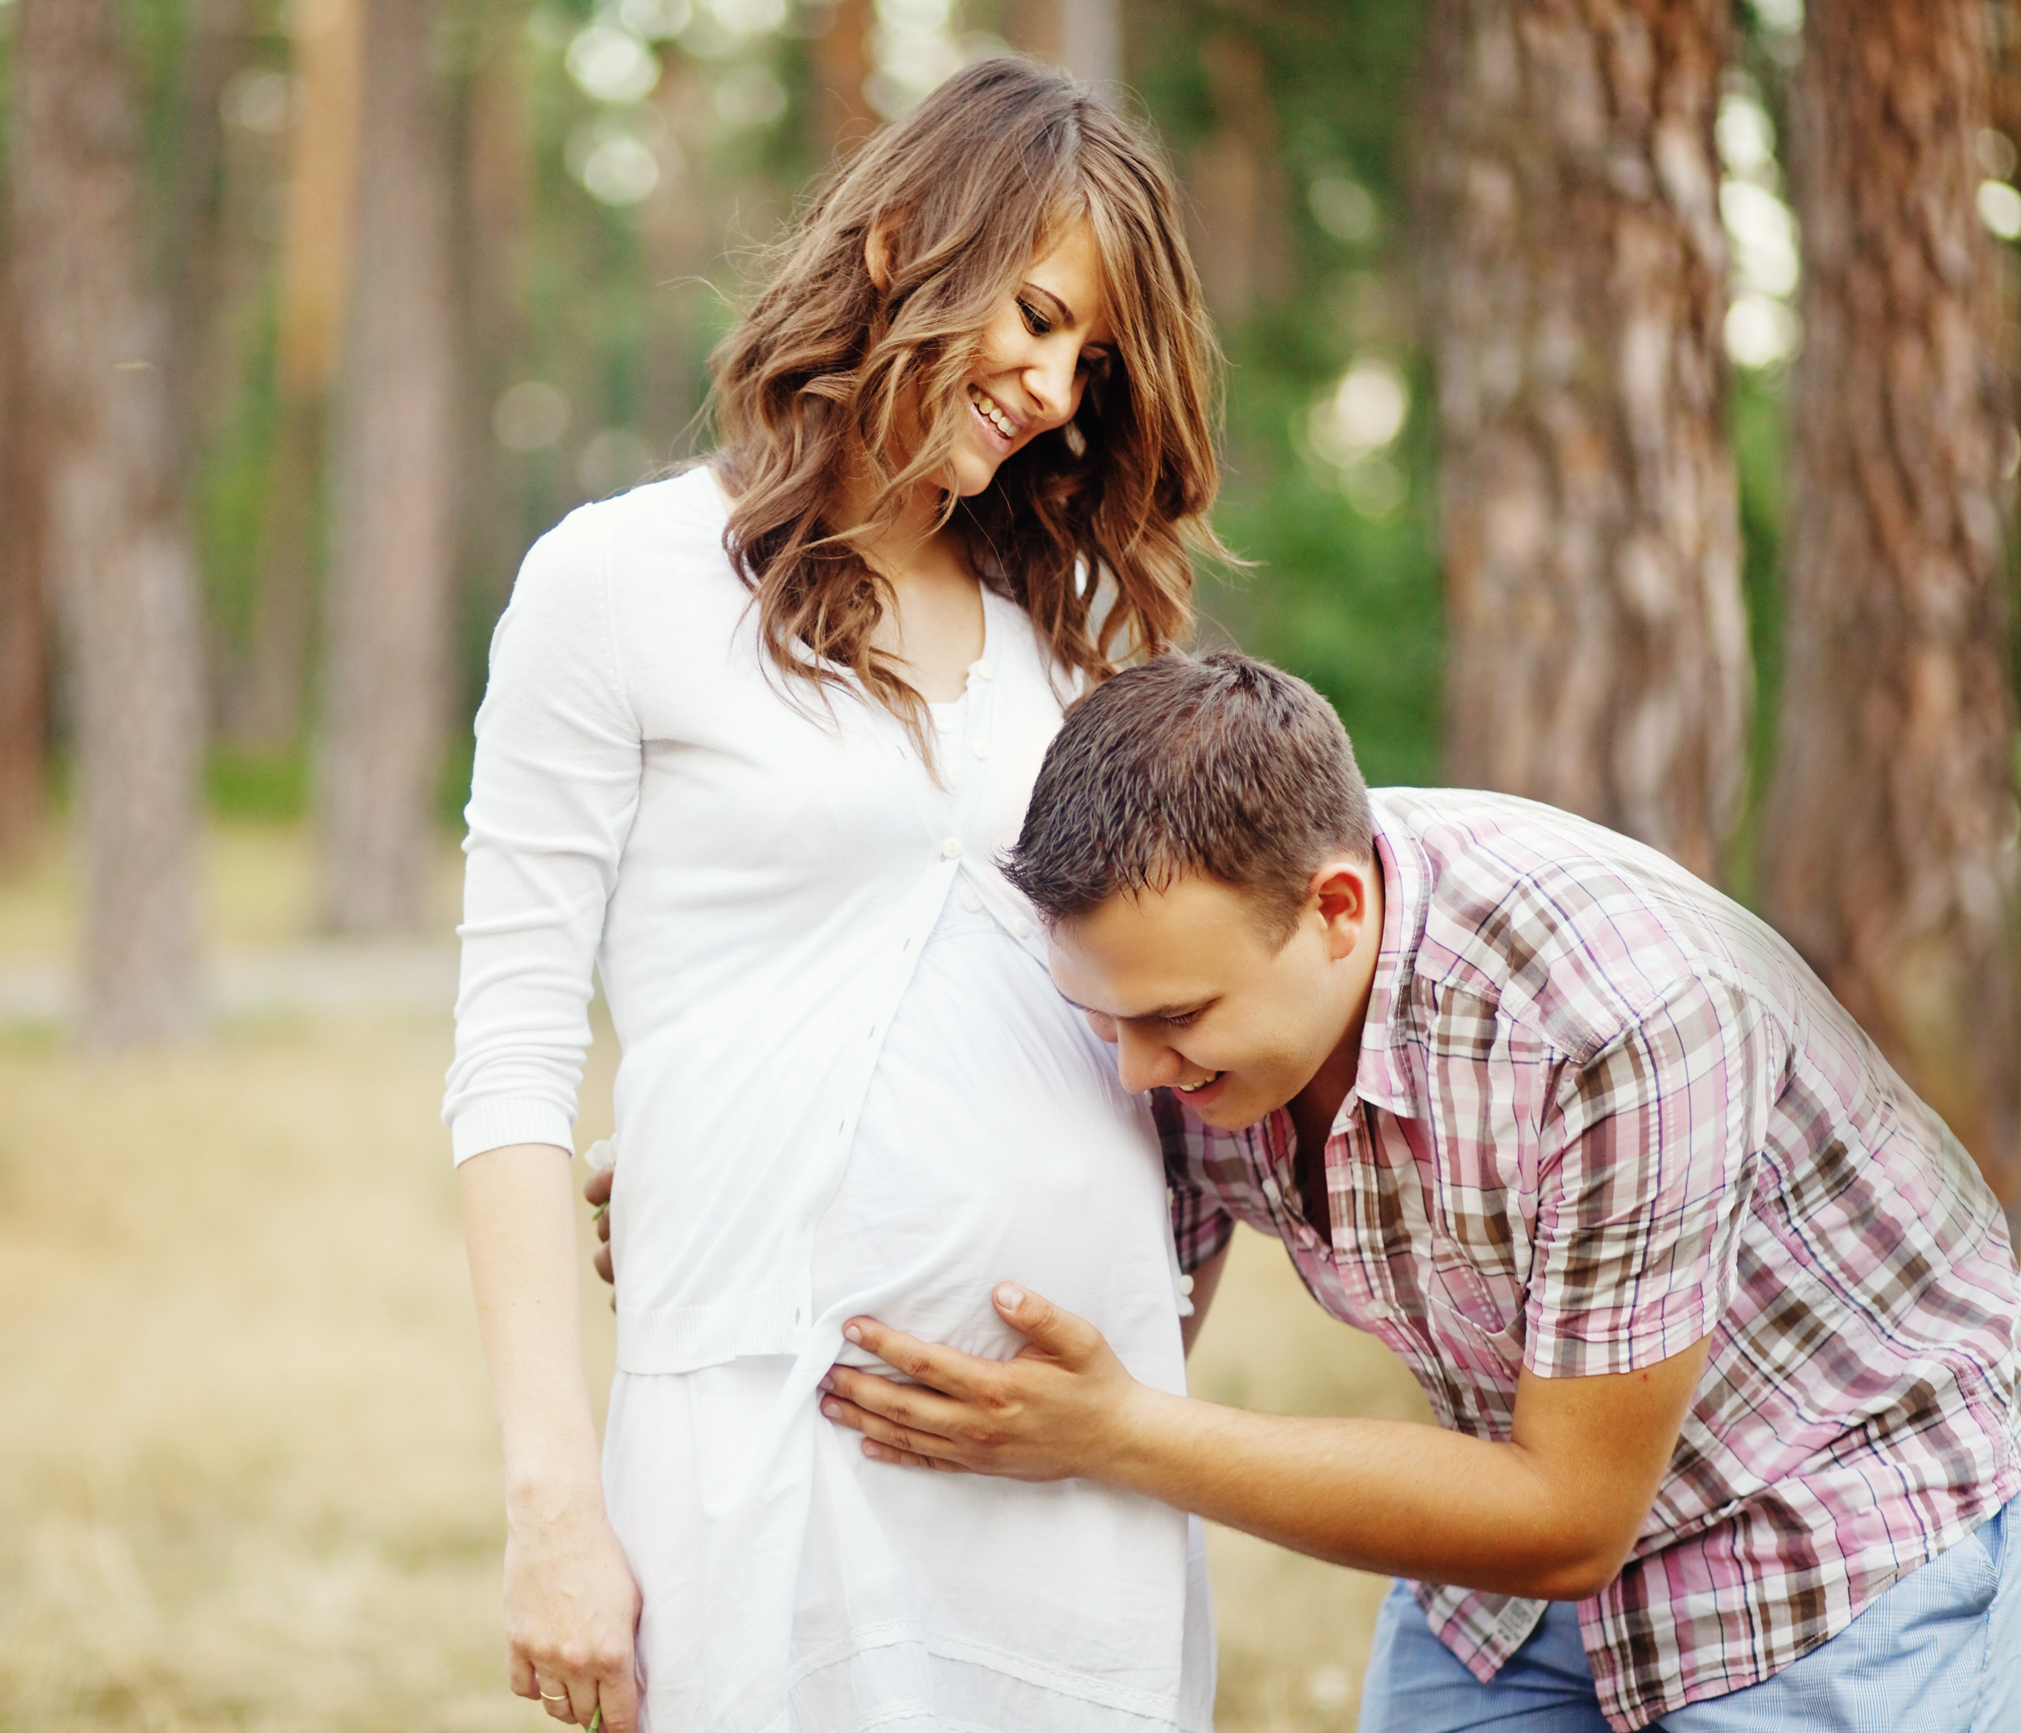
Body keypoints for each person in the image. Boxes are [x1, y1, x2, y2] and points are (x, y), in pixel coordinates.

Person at [445, 57, 1232, 1733]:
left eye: (1088, 360)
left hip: (1070, 1455)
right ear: (897, 245)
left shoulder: (1084, 630)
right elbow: (508, 1053)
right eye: (1031, 315)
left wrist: (1144, 1373)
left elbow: (1174, 1028)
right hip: (762, 1432)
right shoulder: (621, 585)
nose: (1051, 388)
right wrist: (550, 1501)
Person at [813, 651, 2021, 1732]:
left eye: (1176, 1019)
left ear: (1336, 909)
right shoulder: (1177, 987)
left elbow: (1565, 1517)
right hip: (1497, 1575)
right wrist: (751, 1203)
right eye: (1104, 1018)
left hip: (1825, 1534)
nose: (1134, 1072)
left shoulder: (1622, 1018)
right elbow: (1050, 1269)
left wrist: (1124, 1433)